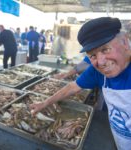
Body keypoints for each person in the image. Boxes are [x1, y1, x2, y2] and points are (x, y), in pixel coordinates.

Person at [30, 17, 131, 150]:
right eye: (92, 55)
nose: (100, 62)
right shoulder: (98, 72)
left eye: (105, 49)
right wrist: (45, 103)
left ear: (125, 41)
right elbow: (72, 86)